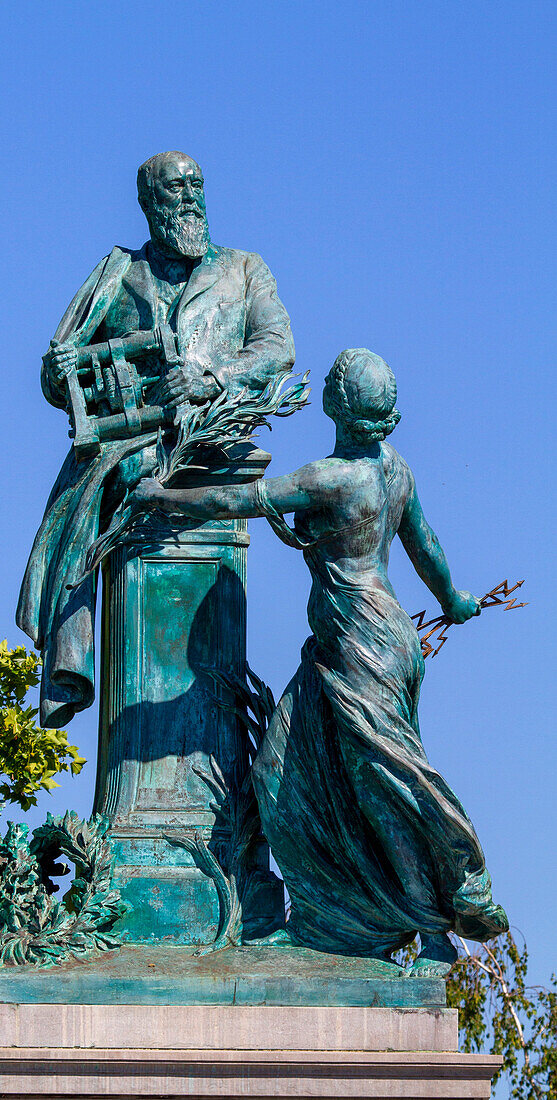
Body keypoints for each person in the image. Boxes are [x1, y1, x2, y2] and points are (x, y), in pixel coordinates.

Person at [130, 347, 508, 975]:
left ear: (335, 406)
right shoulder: (396, 472)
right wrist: (456, 600)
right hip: (365, 642)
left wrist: (165, 498)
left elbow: (245, 500)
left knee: (382, 777)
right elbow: (426, 546)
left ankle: (443, 909)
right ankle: (323, 920)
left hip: (361, 643)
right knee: (283, 767)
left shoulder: (332, 478)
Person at [16, 151, 294, 728]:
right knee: (101, 485)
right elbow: (55, 379)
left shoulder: (245, 269)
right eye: (175, 188)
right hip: (133, 452)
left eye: (197, 184)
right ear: (148, 204)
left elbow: (276, 348)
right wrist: (59, 366)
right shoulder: (118, 275)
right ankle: (75, 654)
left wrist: (213, 377)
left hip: (214, 454)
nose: (191, 195)